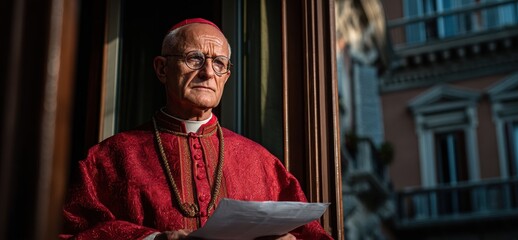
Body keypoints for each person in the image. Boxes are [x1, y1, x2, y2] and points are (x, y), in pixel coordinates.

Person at [60, 18, 334, 240]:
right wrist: (154, 239)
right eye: (194, 58)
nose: (208, 73)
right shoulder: (108, 158)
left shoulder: (261, 162)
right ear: (162, 68)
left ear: (226, 77)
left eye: (219, 64)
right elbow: (75, 232)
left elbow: (312, 235)